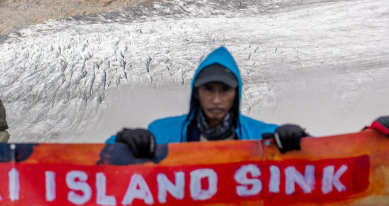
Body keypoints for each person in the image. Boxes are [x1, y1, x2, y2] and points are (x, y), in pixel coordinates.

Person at [108, 46, 308, 157]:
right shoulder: (161, 133)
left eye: (225, 90)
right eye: (208, 89)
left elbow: (325, 164)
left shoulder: (265, 136)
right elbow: (98, 163)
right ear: (197, 93)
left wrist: (302, 140)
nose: (216, 99)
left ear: (236, 93)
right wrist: (121, 141)